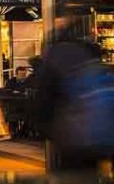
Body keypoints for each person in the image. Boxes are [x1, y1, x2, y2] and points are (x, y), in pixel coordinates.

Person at [35, 17, 114, 169]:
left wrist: (45, 129)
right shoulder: (91, 52)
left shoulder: (56, 55)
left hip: (74, 135)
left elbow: (44, 100)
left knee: (73, 182)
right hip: (104, 130)